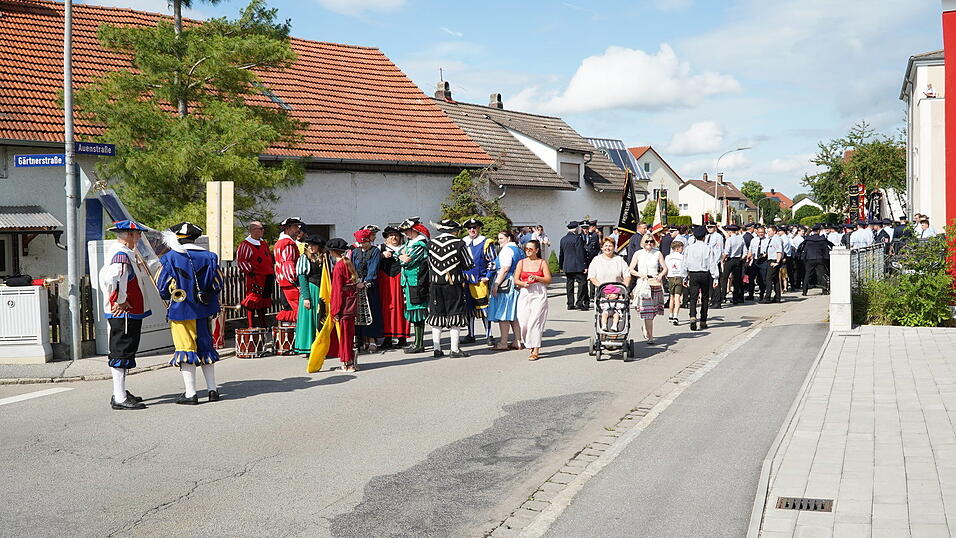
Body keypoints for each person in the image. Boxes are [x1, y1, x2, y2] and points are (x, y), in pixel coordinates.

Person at [158, 222, 224, 405]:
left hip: (181, 311)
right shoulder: (211, 257)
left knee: (185, 349)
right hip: (204, 310)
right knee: (205, 348)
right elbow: (218, 284)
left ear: (176, 237)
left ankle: (190, 393)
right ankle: (213, 390)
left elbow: (162, 287)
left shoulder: (170, 258)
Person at [99, 219, 151, 410]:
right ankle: (119, 397)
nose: (139, 237)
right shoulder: (121, 254)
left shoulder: (125, 252)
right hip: (124, 311)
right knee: (121, 350)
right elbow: (112, 278)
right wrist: (120, 300)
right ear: (129, 235)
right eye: (137, 234)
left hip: (129, 311)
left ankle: (120, 392)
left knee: (126, 350)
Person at [426, 219, 472, 358]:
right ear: (455, 230)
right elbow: (468, 264)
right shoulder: (459, 243)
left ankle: (437, 348)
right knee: (455, 314)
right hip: (453, 285)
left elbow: (428, 263)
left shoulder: (430, 244)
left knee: (436, 314)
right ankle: (454, 349)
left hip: (435, 284)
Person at [489, 230, 526, 351]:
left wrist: (496, 284)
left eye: (501, 238)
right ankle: (518, 341)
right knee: (514, 314)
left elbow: (505, 268)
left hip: (507, 282)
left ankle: (503, 342)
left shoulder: (506, 250)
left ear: (508, 238)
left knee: (504, 313)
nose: (499, 241)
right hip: (517, 282)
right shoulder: (520, 250)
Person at [462, 219, 497, 346]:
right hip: (465, 281)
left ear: (479, 228)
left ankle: (489, 335)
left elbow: (493, 262)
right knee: (468, 309)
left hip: (480, 282)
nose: (472, 230)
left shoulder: (485, 242)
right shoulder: (463, 242)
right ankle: (470, 334)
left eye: (474, 227)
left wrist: (487, 276)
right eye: (470, 228)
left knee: (484, 310)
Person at [515, 239, 552, 361]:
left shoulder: (542, 262)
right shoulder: (521, 262)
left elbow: (548, 279)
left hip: (538, 292)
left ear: (536, 250)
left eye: (531, 249)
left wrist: (537, 277)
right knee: (524, 322)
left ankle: (535, 349)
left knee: (535, 321)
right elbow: (516, 280)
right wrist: (523, 283)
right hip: (525, 292)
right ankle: (529, 343)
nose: (528, 251)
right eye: (526, 249)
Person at [326, 238, 359, 372]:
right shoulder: (347, 262)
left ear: (333, 252)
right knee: (349, 334)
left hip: (344, 304)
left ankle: (347, 363)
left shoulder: (339, 266)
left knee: (344, 336)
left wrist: (335, 310)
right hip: (351, 303)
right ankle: (351, 360)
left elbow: (337, 290)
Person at [398, 217, 430, 354]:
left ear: (414, 230)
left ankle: (419, 344)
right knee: (413, 311)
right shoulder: (409, 243)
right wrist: (401, 256)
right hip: (408, 281)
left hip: (417, 281)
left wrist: (401, 257)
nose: (405, 234)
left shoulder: (420, 244)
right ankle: (416, 343)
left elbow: (408, 262)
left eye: (407, 231)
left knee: (418, 311)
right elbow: (398, 255)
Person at [629, 234, 667, 345]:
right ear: (643, 243)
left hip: (655, 283)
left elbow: (665, 268)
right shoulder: (638, 254)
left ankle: (646, 327)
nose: (649, 244)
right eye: (647, 242)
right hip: (643, 284)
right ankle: (650, 336)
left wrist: (660, 275)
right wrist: (640, 275)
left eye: (651, 241)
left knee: (653, 311)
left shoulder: (657, 253)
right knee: (647, 311)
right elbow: (631, 269)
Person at [236, 221, 274, 328]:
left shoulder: (263, 244)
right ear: (253, 230)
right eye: (261, 229)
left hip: (267, 277)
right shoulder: (245, 245)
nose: (263, 231)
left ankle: (263, 325)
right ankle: (251, 325)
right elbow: (241, 261)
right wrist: (251, 272)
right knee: (253, 301)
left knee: (263, 302)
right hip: (255, 278)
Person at [351, 228, 383, 352]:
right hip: (357, 285)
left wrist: (366, 282)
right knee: (358, 313)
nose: (362, 245)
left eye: (364, 242)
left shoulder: (375, 251)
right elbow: (352, 267)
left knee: (371, 312)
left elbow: (373, 269)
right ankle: (361, 339)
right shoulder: (355, 252)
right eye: (360, 243)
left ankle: (371, 340)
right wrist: (355, 282)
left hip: (370, 286)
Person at [377, 226, 409, 349]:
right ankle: (387, 337)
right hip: (385, 280)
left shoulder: (406, 248)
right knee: (386, 308)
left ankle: (402, 337)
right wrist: (381, 256)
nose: (393, 237)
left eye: (396, 235)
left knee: (402, 307)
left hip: (401, 279)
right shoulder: (380, 248)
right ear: (386, 237)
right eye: (390, 235)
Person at [293, 236, 326, 355]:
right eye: (309, 245)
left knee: (320, 317)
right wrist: (306, 297)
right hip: (310, 290)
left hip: (321, 290)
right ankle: (307, 347)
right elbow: (302, 278)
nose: (311, 247)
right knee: (309, 319)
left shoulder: (323, 258)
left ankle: (319, 345)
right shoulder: (304, 258)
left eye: (314, 245)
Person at [683, 226, 719, 331]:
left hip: (693, 274)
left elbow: (685, 263)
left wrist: (684, 277)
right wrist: (715, 277)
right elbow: (712, 263)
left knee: (693, 297)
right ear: (704, 237)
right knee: (704, 298)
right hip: (704, 274)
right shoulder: (707, 248)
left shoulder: (689, 248)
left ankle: (693, 316)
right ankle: (703, 320)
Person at [274, 217, 304, 322]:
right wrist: (296, 282)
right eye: (295, 227)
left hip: (283, 282)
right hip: (290, 284)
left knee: (288, 309)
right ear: (287, 228)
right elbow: (288, 264)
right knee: (299, 311)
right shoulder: (288, 244)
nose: (298, 230)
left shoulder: (279, 243)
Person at [559, 221, 588, 310]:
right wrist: (584, 265)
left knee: (569, 285)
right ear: (576, 229)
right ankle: (579, 302)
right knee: (582, 283)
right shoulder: (577, 239)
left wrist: (561, 266)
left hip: (568, 265)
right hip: (577, 266)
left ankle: (570, 303)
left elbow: (561, 254)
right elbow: (580, 253)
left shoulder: (563, 239)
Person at [802, 225, 831, 296]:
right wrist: (826, 259)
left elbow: (805, 250)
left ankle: (804, 291)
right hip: (819, 258)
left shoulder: (808, 240)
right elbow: (825, 250)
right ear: (819, 231)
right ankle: (824, 290)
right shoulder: (822, 239)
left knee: (807, 275)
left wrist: (803, 258)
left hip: (810, 259)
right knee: (822, 274)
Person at [722, 224, 746, 305]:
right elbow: (745, 251)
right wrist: (741, 258)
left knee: (724, 278)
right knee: (737, 280)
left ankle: (723, 297)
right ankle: (736, 298)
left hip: (730, 260)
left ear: (729, 231)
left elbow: (727, 251)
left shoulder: (729, 240)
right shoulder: (741, 239)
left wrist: (723, 259)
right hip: (738, 260)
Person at [665, 240, 687, 325]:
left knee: (671, 297)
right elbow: (684, 268)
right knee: (677, 298)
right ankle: (675, 316)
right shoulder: (682, 257)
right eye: (681, 248)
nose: (682, 249)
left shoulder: (668, 257)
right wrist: (685, 278)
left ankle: (670, 314)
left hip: (670, 277)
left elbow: (666, 267)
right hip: (679, 277)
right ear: (677, 248)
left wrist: (666, 275)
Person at [746, 226, 769, 301]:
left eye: (762, 232)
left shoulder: (768, 240)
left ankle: (762, 294)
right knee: (751, 278)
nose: (761, 234)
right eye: (759, 232)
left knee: (762, 279)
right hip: (755, 261)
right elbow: (750, 251)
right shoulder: (754, 240)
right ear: (757, 232)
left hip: (763, 261)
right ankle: (750, 294)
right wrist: (748, 260)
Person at [763, 226, 785, 303]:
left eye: (769, 231)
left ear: (774, 231)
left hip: (774, 261)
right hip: (771, 260)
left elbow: (779, 251)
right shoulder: (772, 239)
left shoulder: (777, 239)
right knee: (776, 280)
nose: (768, 233)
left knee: (768, 279)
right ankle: (777, 297)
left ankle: (767, 297)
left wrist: (777, 262)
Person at [582, 220, 601, 302]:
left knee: (592, 276)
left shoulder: (594, 235)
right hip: (583, 259)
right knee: (583, 279)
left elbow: (597, 247)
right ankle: (584, 295)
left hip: (592, 258)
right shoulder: (581, 235)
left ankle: (592, 294)